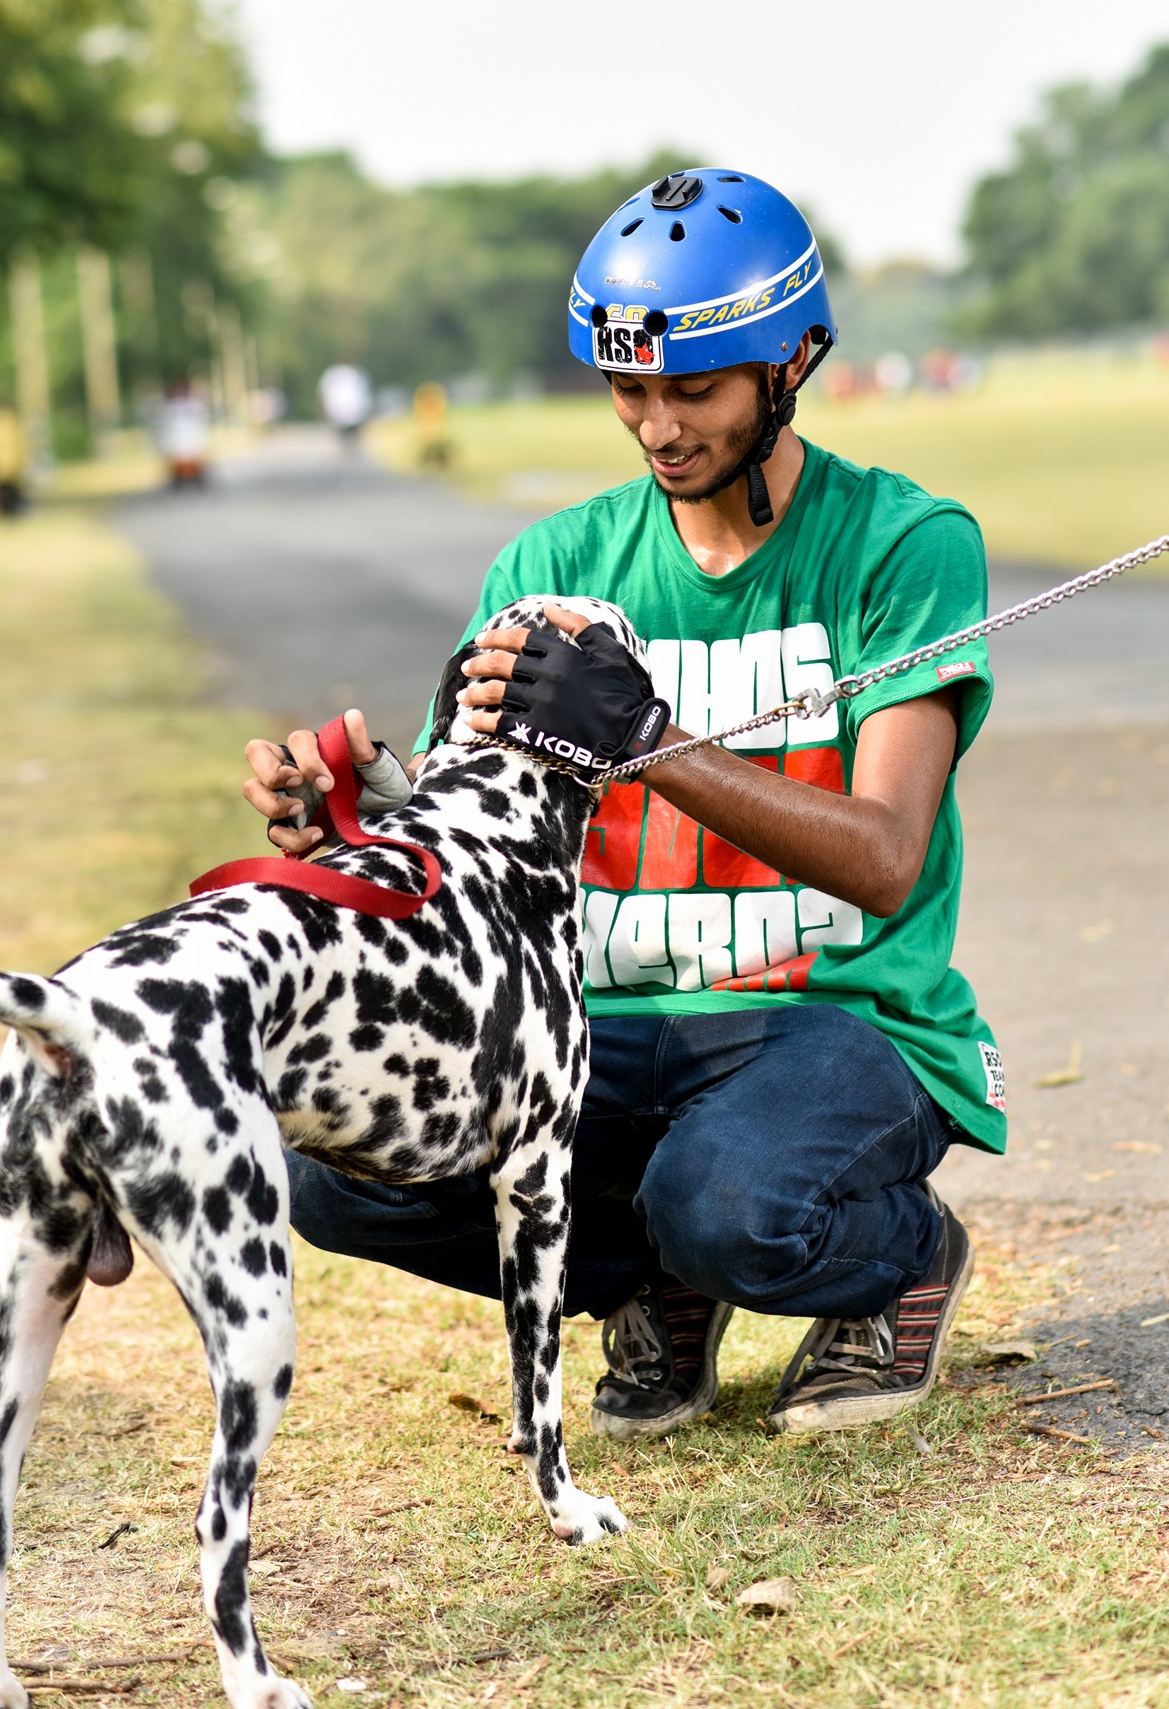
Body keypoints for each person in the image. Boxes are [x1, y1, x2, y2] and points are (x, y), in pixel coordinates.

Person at [243, 168, 1001, 1443]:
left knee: (729, 1204)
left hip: (832, 1018)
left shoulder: (902, 543)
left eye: (693, 388)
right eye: (628, 387)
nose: (658, 424)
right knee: (338, 1171)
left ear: (791, 361)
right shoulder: (550, 562)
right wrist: (352, 821)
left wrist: (647, 740)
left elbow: (883, 857)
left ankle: (902, 1254)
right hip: (596, 1023)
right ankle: (654, 1278)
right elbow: (462, 849)